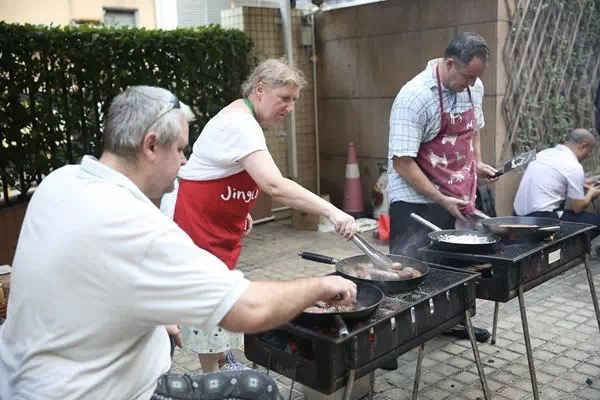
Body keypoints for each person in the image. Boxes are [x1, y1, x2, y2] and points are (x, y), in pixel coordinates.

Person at [0, 85, 357, 400]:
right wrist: (319, 286)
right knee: (257, 389)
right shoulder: (137, 228)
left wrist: (158, 320)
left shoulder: (62, 182)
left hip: (26, 379)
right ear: (151, 146)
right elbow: (248, 309)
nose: (185, 161)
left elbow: (90, 275)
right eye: (181, 150)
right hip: (99, 392)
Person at [161, 58, 358, 373]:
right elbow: (275, 185)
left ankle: (223, 360)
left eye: (294, 100)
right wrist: (331, 211)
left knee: (216, 291)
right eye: (284, 98)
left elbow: (219, 170)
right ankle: (214, 380)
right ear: (260, 90)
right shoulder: (241, 124)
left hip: (213, 216)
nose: (290, 108)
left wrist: (238, 209)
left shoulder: (242, 117)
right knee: (208, 296)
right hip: (195, 221)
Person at [387, 32, 497, 343]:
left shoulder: (473, 87)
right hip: (414, 198)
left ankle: (451, 321)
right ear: (449, 64)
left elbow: (473, 129)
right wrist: (438, 198)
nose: (473, 85)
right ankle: (394, 337)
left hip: (457, 193)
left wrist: (476, 163)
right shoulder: (414, 97)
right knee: (410, 269)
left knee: (455, 266)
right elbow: (402, 162)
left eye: (477, 77)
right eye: (467, 77)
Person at [513, 128, 600, 237]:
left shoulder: (543, 154)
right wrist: (591, 193)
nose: (588, 155)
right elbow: (577, 208)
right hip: (540, 220)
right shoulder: (573, 166)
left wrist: (581, 183)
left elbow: (552, 181)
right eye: (589, 151)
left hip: (517, 216)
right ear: (582, 146)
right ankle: (568, 251)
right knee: (596, 222)